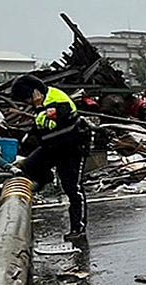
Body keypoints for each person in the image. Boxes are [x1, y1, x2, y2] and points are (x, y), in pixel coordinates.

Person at [9, 74, 89, 241]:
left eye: (26, 99)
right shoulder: (44, 101)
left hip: (71, 148)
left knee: (72, 189)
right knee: (27, 166)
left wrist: (39, 108)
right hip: (53, 146)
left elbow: (49, 127)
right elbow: (40, 128)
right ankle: (46, 178)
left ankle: (78, 227)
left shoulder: (56, 101)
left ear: (34, 93)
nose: (26, 104)